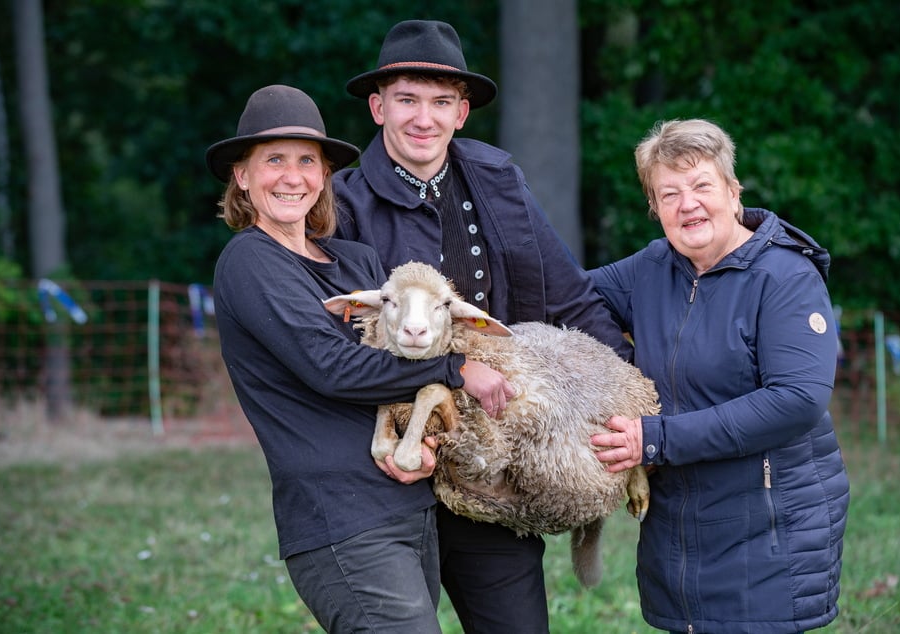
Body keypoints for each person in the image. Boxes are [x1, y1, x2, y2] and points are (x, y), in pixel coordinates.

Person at [333, 19, 632, 633]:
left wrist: (634, 404)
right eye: (407, 99)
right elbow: (333, 346)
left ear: (462, 112)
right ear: (377, 107)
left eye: (441, 101)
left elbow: (571, 300)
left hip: (488, 468)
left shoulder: (499, 183)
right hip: (387, 472)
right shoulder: (340, 204)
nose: (424, 118)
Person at [206, 84, 514, 633]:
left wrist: (427, 433)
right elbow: (332, 367)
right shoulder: (250, 262)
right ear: (242, 175)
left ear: (324, 175)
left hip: (409, 504)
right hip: (341, 521)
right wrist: (454, 368)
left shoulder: (356, 262)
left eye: (307, 160)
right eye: (272, 159)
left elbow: (395, 361)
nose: (293, 176)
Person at [589, 118, 850, 634]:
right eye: (669, 193)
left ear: (734, 193)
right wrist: (615, 358)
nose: (687, 204)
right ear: (656, 209)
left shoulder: (785, 277)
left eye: (702, 185)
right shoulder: (653, 267)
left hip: (770, 529)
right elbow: (572, 297)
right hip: (679, 530)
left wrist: (655, 439)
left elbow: (797, 399)